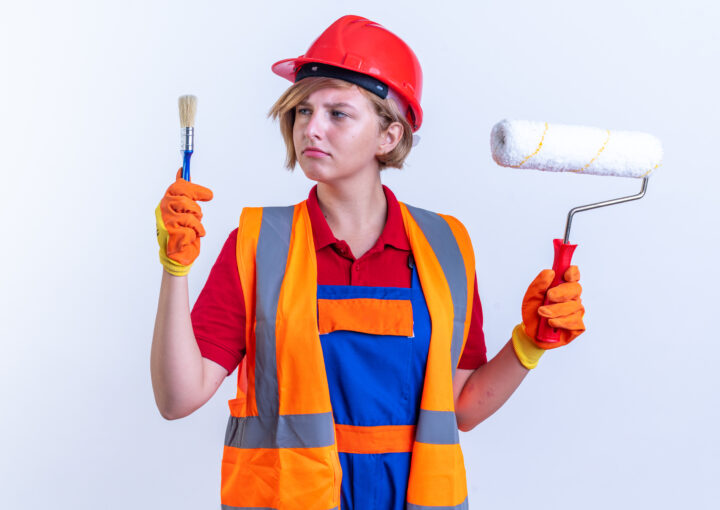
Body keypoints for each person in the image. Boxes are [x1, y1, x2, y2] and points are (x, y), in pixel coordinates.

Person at [151, 15, 585, 510]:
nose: (310, 128)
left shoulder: (446, 246)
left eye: (338, 113)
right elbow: (177, 399)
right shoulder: (258, 244)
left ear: (388, 136)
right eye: (302, 111)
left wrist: (528, 345)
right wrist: (174, 269)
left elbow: (461, 407)